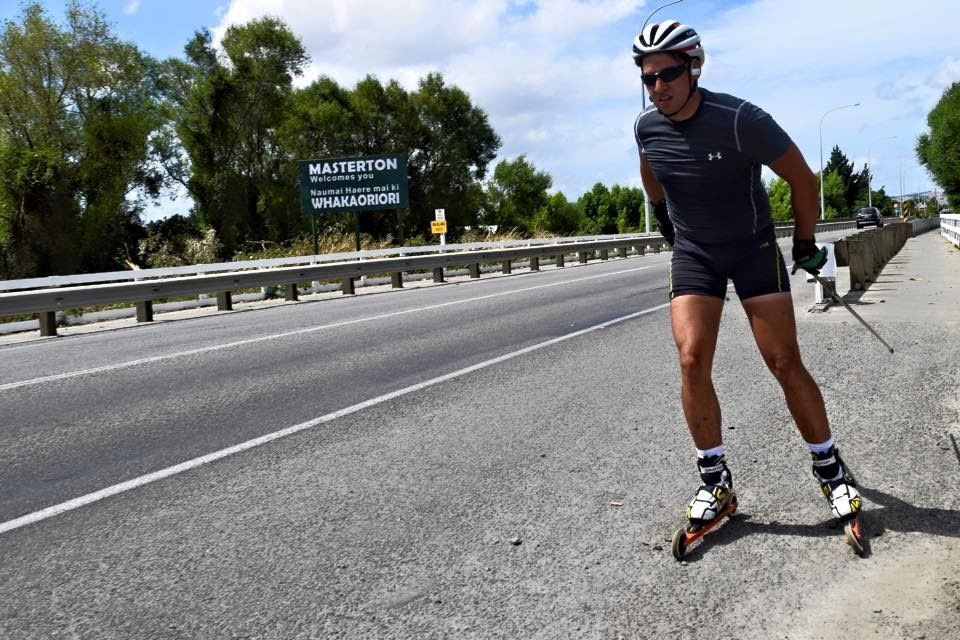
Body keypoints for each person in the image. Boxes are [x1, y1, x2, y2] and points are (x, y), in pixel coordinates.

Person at [631, 20, 862, 532]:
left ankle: (830, 467)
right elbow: (653, 178)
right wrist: (671, 227)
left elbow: (802, 179)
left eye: (667, 74)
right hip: (696, 253)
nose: (657, 88)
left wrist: (803, 244)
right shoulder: (646, 126)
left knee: (782, 360)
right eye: (647, 78)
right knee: (691, 358)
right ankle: (714, 480)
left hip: (754, 248)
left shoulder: (740, 119)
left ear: (695, 66)